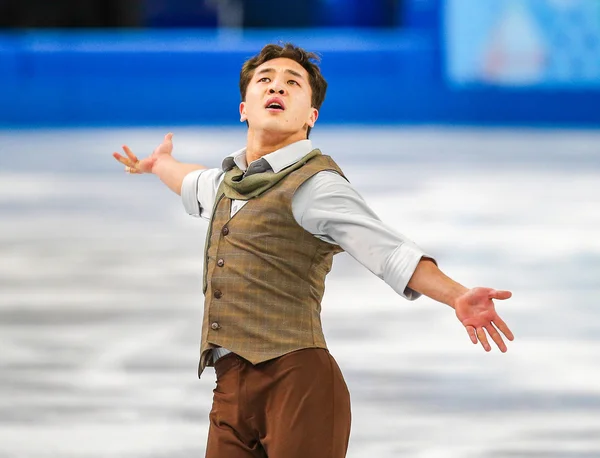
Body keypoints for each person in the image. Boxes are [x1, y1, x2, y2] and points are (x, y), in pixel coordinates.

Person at [112, 43, 514, 458]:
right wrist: (159, 164)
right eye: (265, 80)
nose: (277, 87)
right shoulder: (227, 184)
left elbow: (387, 250)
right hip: (230, 387)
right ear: (244, 108)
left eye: (293, 83)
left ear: (311, 116)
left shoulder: (316, 186)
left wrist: (456, 295)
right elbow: (191, 181)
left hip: (298, 383)